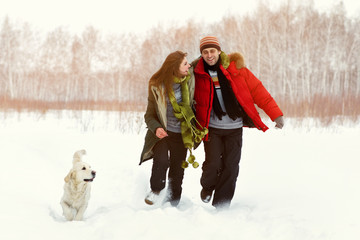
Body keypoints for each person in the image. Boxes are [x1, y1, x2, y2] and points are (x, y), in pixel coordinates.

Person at [192, 36, 284, 209]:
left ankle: (222, 204)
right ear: (201, 55)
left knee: (231, 166)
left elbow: (258, 91)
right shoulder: (197, 74)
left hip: (234, 128)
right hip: (212, 128)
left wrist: (276, 115)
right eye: (205, 52)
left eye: (212, 51)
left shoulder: (237, 70)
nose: (209, 55)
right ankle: (208, 187)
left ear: (219, 51)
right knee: (213, 164)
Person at [139, 50, 207, 207]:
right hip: (163, 133)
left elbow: (200, 61)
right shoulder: (157, 86)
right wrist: (156, 128)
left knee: (178, 168)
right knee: (161, 161)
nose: (188, 65)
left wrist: (212, 50)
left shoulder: (189, 78)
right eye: (184, 63)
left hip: (183, 133)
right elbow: (149, 115)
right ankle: (155, 190)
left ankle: (173, 200)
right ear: (174, 67)